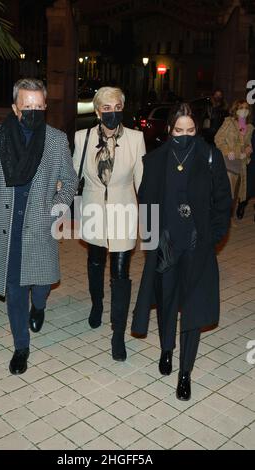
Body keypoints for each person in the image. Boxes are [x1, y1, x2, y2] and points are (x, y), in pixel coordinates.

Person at [0, 78, 78, 375]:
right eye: (26, 106)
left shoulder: (56, 140)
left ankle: (40, 306)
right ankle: (21, 346)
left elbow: (70, 182)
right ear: (14, 107)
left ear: (45, 107)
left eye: (38, 106)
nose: (32, 110)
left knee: (43, 284)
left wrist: (54, 210)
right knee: (15, 289)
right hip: (4, 226)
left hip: (39, 224)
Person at [131, 103, 232, 400]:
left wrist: (211, 238)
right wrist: (152, 241)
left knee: (192, 307)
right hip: (166, 243)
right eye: (179, 130)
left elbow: (222, 202)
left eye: (190, 130)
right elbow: (146, 203)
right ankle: (166, 350)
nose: (184, 135)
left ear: (196, 130)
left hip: (197, 246)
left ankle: (185, 372)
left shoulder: (210, 156)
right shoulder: (156, 160)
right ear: (169, 129)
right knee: (166, 301)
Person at [73, 86, 146, 361]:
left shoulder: (136, 139)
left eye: (117, 107)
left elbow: (143, 183)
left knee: (120, 273)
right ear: (97, 111)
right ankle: (96, 304)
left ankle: (118, 333)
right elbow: (72, 176)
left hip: (124, 212)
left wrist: (153, 226)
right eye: (106, 108)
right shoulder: (83, 138)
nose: (112, 112)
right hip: (93, 210)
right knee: (94, 262)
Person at [215, 99, 254, 220]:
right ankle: (222, 218)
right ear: (235, 110)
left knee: (237, 193)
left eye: (246, 108)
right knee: (227, 193)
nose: (244, 111)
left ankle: (228, 219)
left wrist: (249, 149)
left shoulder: (250, 127)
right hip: (228, 162)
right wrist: (227, 151)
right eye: (241, 108)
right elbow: (218, 139)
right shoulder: (229, 122)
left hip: (241, 164)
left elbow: (248, 144)